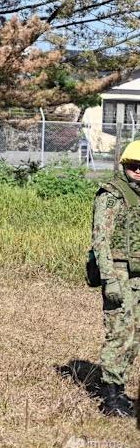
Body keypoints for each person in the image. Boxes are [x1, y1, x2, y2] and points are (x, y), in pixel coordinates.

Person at [91, 139, 140, 417]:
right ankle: (111, 397)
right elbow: (101, 239)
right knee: (119, 334)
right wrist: (109, 278)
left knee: (134, 337)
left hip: (138, 276)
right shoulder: (112, 194)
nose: (139, 171)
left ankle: (119, 390)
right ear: (124, 166)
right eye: (134, 166)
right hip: (119, 274)